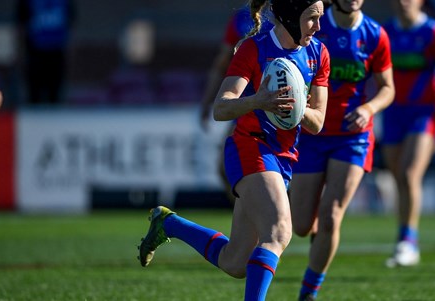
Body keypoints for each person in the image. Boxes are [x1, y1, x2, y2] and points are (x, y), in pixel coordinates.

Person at [137, 1, 330, 300]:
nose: (318, 26)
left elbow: (317, 122)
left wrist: (297, 103)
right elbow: (222, 106)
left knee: (235, 261)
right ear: (291, 16)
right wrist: (259, 101)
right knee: (278, 232)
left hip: (284, 157)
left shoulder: (318, 53)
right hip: (249, 145)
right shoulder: (254, 49)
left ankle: (168, 223)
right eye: (312, 18)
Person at [288, 0, 395, 299]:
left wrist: (369, 108)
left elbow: (388, 87)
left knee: (333, 214)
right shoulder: (314, 25)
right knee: (300, 225)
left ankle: (309, 290)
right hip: (312, 133)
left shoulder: (375, 34)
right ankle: (318, 231)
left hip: (353, 137)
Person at [379, 0, 435, 268]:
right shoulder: (385, 32)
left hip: (425, 112)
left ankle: (408, 241)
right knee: (398, 178)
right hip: (393, 113)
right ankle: (403, 235)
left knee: (409, 173)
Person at [199, 5, 274, 201]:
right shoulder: (241, 17)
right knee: (226, 168)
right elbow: (222, 63)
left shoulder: (288, 11)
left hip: (278, 102)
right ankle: (252, 216)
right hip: (248, 102)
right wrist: (207, 102)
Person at [16, 0, 75, 105]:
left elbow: (70, 27)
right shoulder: (27, 2)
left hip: (57, 53)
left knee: (55, 95)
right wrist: (20, 55)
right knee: (34, 95)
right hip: (35, 53)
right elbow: (21, 28)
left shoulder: (64, 2)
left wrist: (70, 54)